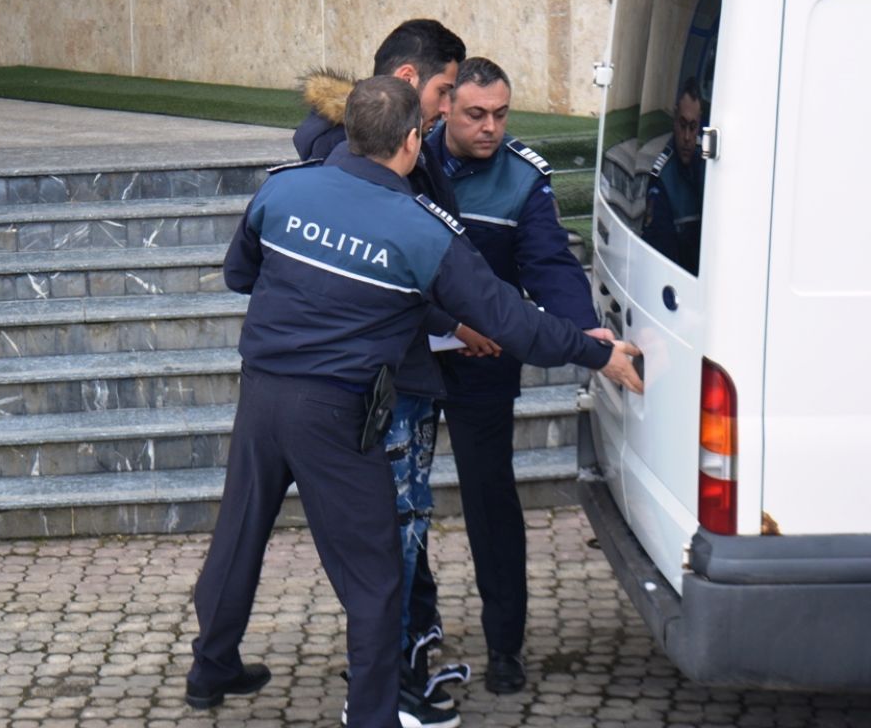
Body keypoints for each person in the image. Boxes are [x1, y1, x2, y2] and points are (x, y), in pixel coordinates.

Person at [185, 76, 643, 728]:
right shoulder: (421, 230)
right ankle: (373, 716)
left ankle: (210, 668)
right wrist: (596, 352)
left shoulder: (283, 188)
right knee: (375, 579)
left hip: (260, 392)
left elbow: (240, 275)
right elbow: (508, 320)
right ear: (412, 140)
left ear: (349, 131)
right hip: (335, 413)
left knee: (239, 530)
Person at [292, 19, 493, 721]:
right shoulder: (352, 159)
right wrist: (459, 321)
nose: (448, 107)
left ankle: (404, 667)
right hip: (388, 382)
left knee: (406, 531)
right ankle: (385, 693)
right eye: (444, 91)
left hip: (399, 373)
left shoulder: (384, 149)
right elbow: (390, 267)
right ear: (407, 81)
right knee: (397, 533)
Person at [426, 57, 614, 695]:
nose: (490, 127)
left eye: (501, 115)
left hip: (485, 362)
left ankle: (505, 645)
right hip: (412, 357)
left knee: (491, 501)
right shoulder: (408, 157)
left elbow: (550, 263)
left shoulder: (523, 178)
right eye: (476, 114)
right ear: (447, 106)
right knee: (396, 498)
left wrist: (585, 330)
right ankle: (410, 632)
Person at [641, 77, 706, 274]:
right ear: (674, 120)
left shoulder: (707, 164)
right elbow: (661, 254)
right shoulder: (662, 180)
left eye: (693, 127)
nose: (687, 137)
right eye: (682, 125)